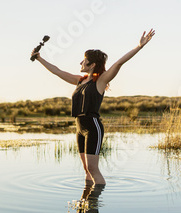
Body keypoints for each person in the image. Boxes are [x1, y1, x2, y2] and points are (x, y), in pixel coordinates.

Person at [31, 29, 155, 185]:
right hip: (79, 127)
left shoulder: (101, 81)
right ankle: (85, 205)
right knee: (86, 169)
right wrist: (39, 58)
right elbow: (57, 71)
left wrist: (139, 46)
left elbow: (118, 63)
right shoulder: (79, 80)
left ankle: (95, 204)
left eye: (84, 61)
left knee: (93, 169)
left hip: (93, 127)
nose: (81, 63)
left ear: (92, 65)